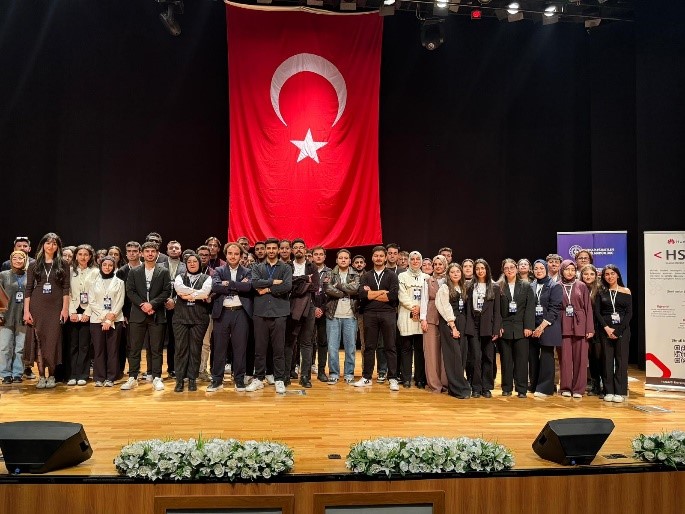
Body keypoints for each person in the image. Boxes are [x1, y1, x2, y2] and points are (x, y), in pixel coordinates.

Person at [122, 242, 171, 391]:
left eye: (153, 251)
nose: (150, 254)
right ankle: (133, 377)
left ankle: (157, 377)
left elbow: (166, 291)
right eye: (147, 251)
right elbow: (130, 291)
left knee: (156, 349)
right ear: (142, 254)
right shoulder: (134, 271)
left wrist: (152, 305)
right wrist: (143, 305)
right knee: (134, 348)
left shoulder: (163, 271)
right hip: (138, 314)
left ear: (157, 254)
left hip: (157, 314)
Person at [23, 233, 70, 389]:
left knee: (53, 341)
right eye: (48, 243)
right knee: (39, 341)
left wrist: (65, 309)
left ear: (58, 247)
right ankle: (41, 376)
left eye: (54, 244)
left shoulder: (63, 264)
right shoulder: (34, 265)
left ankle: (52, 376)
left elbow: (66, 288)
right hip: (37, 306)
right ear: (43, 245)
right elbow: (28, 289)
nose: (51, 246)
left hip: (56, 307)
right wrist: (26, 311)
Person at [248, 238, 293, 394]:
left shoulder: (286, 268)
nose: (272, 251)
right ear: (266, 250)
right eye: (269, 248)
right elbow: (254, 283)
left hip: (279, 313)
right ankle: (259, 378)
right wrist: (273, 281)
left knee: (279, 349)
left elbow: (287, 286)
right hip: (260, 312)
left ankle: (279, 379)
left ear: (279, 250)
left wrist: (267, 289)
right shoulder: (257, 267)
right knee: (259, 349)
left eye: (274, 248)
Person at [355, 246, 400, 391]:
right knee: (369, 347)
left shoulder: (392, 275)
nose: (378, 258)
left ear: (385, 257)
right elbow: (362, 295)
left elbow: (392, 296)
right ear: (372, 258)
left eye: (381, 256)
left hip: (388, 313)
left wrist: (372, 294)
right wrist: (381, 292)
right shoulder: (366, 276)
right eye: (376, 256)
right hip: (369, 313)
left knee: (390, 346)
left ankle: (392, 378)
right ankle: (366, 377)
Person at [209, 243, 253, 392]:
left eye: (236, 254)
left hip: (241, 313)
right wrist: (238, 285)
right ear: (226, 255)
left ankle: (239, 379)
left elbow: (248, 287)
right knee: (219, 348)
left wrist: (228, 284)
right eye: (230, 253)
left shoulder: (247, 271)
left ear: (240, 256)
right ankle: (217, 380)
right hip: (222, 313)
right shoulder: (219, 270)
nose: (233, 256)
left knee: (240, 348)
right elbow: (216, 287)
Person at [173, 253, 212, 392]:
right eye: (189, 261)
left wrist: (189, 296)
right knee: (180, 349)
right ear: (186, 264)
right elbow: (179, 289)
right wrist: (197, 294)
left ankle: (192, 379)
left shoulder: (207, 278)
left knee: (195, 349)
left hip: (199, 318)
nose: (192, 264)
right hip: (181, 318)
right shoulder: (179, 277)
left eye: (195, 261)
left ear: (199, 263)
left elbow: (206, 292)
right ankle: (179, 379)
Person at [594, 264, 632, 403]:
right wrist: (607, 328)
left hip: (622, 331)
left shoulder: (626, 291)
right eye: (607, 274)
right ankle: (608, 390)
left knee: (621, 361)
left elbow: (629, 313)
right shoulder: (601, 292)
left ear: (617, 275)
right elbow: (597, 313)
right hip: (605, 331)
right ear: (603, 277)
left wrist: (619, 330)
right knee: (607, 361)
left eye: (612, 273)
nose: (610, 276)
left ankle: (620, 392)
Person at [498, 259, 535, 398]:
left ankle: (522, 389)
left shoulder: (526, 285)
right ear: (503, 270)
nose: (509, 270)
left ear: (516, 268)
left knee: (521, 361)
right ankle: (506, 388)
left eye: (512, 267)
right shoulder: (499, 286)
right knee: (506, 360)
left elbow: (530, 307)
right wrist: (498, 326)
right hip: (505, 328)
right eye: (506, 268)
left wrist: (529, 326)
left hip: (521, 328)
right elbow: (497, 310)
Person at [465, 259, 501, 398]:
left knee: (488, 357)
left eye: (482, 268)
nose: (480, 271)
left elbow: (497, 311)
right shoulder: (469, 286)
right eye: (477, 268)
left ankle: (486, 387)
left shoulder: (494, 287)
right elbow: (467, 308)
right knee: (475, 357)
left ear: (487, 270)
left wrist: (496, 329)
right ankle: (476, 387)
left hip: (488, 324)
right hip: (474, 322)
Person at [558, 259, 594, 399]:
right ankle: (565, 387)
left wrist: (589, 328)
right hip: (563, 324)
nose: (570, 272)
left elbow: (588, 308)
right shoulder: (557, 286)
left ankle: (579, 389)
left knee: (581, 359)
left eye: (573, 270)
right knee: (565, 359)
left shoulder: (581, 286)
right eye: (567, 269)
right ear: (562, 270)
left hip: (580, 324)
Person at [284, 239, 318, 388]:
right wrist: (304, 280)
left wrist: (296, 283)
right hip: (291, 307)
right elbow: (287, 286)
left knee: (306, 343)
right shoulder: (287, 266)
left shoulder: (312, 266)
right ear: (292, 250)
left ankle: (305, 376)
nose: (298, 249)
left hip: (309, 308)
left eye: (301, 247)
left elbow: (315, 286)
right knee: (289, 342)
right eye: (295, 247)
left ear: (305, 250)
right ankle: (286, 375)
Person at [87, 257, 125, 387]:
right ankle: (99, 377)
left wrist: (110, 319)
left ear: (114, 267)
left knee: (113, 350)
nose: (107, 267)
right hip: (97, 320)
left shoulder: (120, 282)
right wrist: (105, 316)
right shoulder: (93, 282)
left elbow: (120, 301)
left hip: (115, 319)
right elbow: (92, 302)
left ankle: (111, 377)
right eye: (104, 265)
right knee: (98, 350)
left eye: (110, 265)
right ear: (100, 266)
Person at [435, 263, 470, 399]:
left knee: (462, 355)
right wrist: (453, 327)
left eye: (458, 271)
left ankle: (455, 387)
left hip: (463, 323)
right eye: (452, 272)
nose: (455, 274)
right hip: (450, 323)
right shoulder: (444, 288)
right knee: (454, 356)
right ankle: (458, 388)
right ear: (448, 275)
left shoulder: (463, 287)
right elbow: (444, 307)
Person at [528, 259, 563, 398]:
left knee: (547, 358)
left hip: (548, 326)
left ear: (546, 269)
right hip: (533, 326)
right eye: (536, 268)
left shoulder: (555, 286)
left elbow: (554, 309)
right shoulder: (531, 285)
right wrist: (532, 326)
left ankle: (545, 388)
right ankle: (534, 384)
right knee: (533, 357)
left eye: (541, 268)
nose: (539, 271)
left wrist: (541, 327)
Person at [325, 249, 360, 385]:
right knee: (332, 347)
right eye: (341, 258)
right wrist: (345, 292)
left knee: (350, 347)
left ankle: (349, 373)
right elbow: (328, 289)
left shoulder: (355, 274)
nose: (343, 260)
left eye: (346, 258)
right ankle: (333, 373)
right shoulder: (329, 273)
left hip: (350, 315)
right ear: (336, 260)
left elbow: (355, 289)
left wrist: (338, 286)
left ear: (350, 261)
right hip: (333, 315)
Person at [67, 244, 99, 386]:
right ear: (76, 256)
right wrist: (72, 311)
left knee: (85, 345)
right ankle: (72, 375)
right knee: (73, 345)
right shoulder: (69, 271)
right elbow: (66, 292)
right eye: (80, 254)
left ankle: (83, 375)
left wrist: (88, 313)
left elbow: (96, 294)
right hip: (73, 310)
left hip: (88, 310)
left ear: (90, 256)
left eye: (86, 254)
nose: (83, 257)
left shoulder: (95, 272)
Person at [397, 251, 428, 388]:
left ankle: (420, 378)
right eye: (413, 259)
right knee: (406, 348)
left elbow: (428, 297)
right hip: (406, 315)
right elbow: (401, 295)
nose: (415, 261)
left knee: (420, 349)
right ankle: (406, 378)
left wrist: (420, 309)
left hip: (422, 316)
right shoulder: (402, 276)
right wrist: (413, 307)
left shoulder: (427, 277)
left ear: (421, 262)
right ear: (409, 261)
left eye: (418, 259)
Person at [420, 255, 448, 393]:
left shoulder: (449, 280)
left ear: (445, 265)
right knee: (431, 353)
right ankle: (434, 384)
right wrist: (423, 319)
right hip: (431, 318)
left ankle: (446, 383)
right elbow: (424, 300)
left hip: (447, 319)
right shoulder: (427, 281)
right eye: (435, 264)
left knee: (445, 352)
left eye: (440, 264)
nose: (437, 266)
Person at [0, 251, 29, 383]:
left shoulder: (30, 276)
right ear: (11, 260)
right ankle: (5, 374)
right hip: (6, 316)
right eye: (15, 258)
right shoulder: (3, 275)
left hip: (23, 316)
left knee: (20, 347)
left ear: (25, 260)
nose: (18, 260)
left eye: (21, 258)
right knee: (5, 346)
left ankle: (18, 373)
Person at [162, 240, 186, 379]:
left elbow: (187, 286)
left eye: (176, 248)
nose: (174, 250)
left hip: (178, 307)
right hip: (161, 307)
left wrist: (174, 301)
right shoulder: (159, 266)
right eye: (171, 248)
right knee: (158, 340)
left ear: (180, 251)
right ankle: (154, 371)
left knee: (175, 339)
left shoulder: (185, 266)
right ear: (167, 251)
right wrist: (165, 300)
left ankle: (174, 368)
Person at [580, 264, 603, 397]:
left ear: (596, 275)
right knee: (591, 358)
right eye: (586, 274)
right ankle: (595, 385)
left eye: (591, 274)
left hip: (598, 328)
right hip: (583, 327)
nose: (588, 277)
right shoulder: (578, 288)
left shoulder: (600, 289)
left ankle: (604, 385)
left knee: (599, 357)